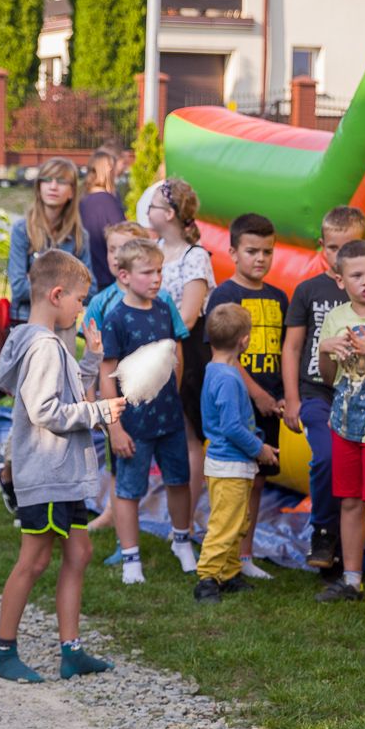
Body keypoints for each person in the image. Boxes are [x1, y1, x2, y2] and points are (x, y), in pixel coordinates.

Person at [0, 250, 127, 683]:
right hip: (47, 473)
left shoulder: (41, 339)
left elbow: (68, 390)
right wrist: (100, 412)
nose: (82, 309)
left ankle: (72, 651)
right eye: (80, 300)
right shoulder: (44, 347)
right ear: (56, 294)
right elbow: (46, 411)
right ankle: (4, 652)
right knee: (33, 560)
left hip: (63, 475)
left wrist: (90, 358)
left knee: (80, 551)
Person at [99, 236, 196, 582]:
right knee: (129, 490)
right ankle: (131, 558)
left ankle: (182, 541)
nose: (156, 279)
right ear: (124, 276)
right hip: (134, 424)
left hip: (169, 418)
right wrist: (116, 427)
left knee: (178, 480)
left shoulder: (164, 309)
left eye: (159, 271)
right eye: (147, 272)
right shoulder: (116, 319)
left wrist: (174, 395)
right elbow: (106, 373)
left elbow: (175, 355)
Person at [283, 207, 365, 574]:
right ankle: (322, 529)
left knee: (356, 468)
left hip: (357, 395)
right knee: (326, 457)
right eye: (334, 248)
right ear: (322, 248)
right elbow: (292, 347)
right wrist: (291, 399)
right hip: (316, 393)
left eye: (350, 247)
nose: (341, 256)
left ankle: (347, 546)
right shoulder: (308, 290)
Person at [205, 212, 288, 580]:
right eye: (252, 251)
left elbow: (286, 351)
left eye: (267, 252)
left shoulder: (278, 297)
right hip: (244, 403)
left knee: (257, 479)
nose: (260, 259)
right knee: (233, 483)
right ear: (233, 252)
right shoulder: (225, 295)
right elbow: (224, 356)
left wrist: (283, 397)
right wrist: (257, 395)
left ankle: (245, 554)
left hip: (270, 406)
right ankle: (222, 554)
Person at [315, 240, 365, 603]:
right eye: (357, 275)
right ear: (339, 279)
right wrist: (324, 350)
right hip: (344, 422)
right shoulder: (335, 318)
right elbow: (329, 376)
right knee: (348, 501)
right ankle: (350, 579)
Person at [195, 303, 277, 602]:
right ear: (245, 340)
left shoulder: (217, 369)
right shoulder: (229, 379)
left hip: (231, 464)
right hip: (229, 464)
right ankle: (207, 577)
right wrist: (260, 449)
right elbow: (231, 426)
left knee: (238, 522)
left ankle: (228, 573)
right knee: (225, 524)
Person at [143, 178, 214, 516]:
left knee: (188, 434)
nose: (148, 210)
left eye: (154, 205)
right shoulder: (153, 249)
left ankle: (186, 514)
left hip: (185, 353)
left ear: (169, 213)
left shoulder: (194, 257)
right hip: (151, 348)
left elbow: (188, 316)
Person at [6, 157, 93, 322]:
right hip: (26, 320)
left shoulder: (80, 236)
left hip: (64, 324)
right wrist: (70, 287)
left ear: (72, 191)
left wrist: (37, 281)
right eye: (47, 179)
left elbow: (90, 290)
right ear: (39, 187)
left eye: (61, 181)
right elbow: (19, 288)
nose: (53, 186)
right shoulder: (22, 230)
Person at [78, 147, 126, 289]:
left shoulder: (81, 200)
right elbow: (123, 235)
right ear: (108, 170)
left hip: (86, 274)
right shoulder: (108, 201)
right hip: (107, 275)